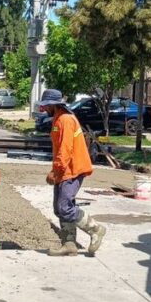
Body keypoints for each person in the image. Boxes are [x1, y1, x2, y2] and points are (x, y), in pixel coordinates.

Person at [38, 88, 107, 257]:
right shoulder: (58, 118)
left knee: (65, 207)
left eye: (46, 105)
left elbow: (66, 149)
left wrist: (55, 170)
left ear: (54, 105)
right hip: (65, 170)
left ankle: (95, 229)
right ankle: (69, 244)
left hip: (73, 169)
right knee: (59, 208)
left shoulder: (66, 120)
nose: (44, 108)